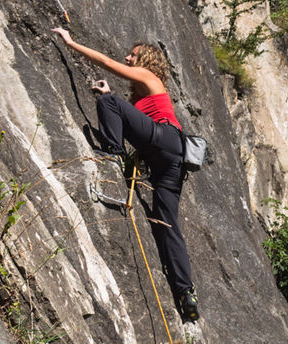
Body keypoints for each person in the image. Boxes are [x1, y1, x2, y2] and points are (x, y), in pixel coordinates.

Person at [51, 27, 199, 322]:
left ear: (146, 60)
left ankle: (112, 154)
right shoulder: (142, 99)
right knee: (167, 223)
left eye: (133, 55)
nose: (127, 58)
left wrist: (70, 42)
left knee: (108, 103)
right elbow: (133, 121)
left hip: (163, 140)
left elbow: (107, 63)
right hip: (172, 159)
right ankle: (185, 292)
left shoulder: (150, 78)